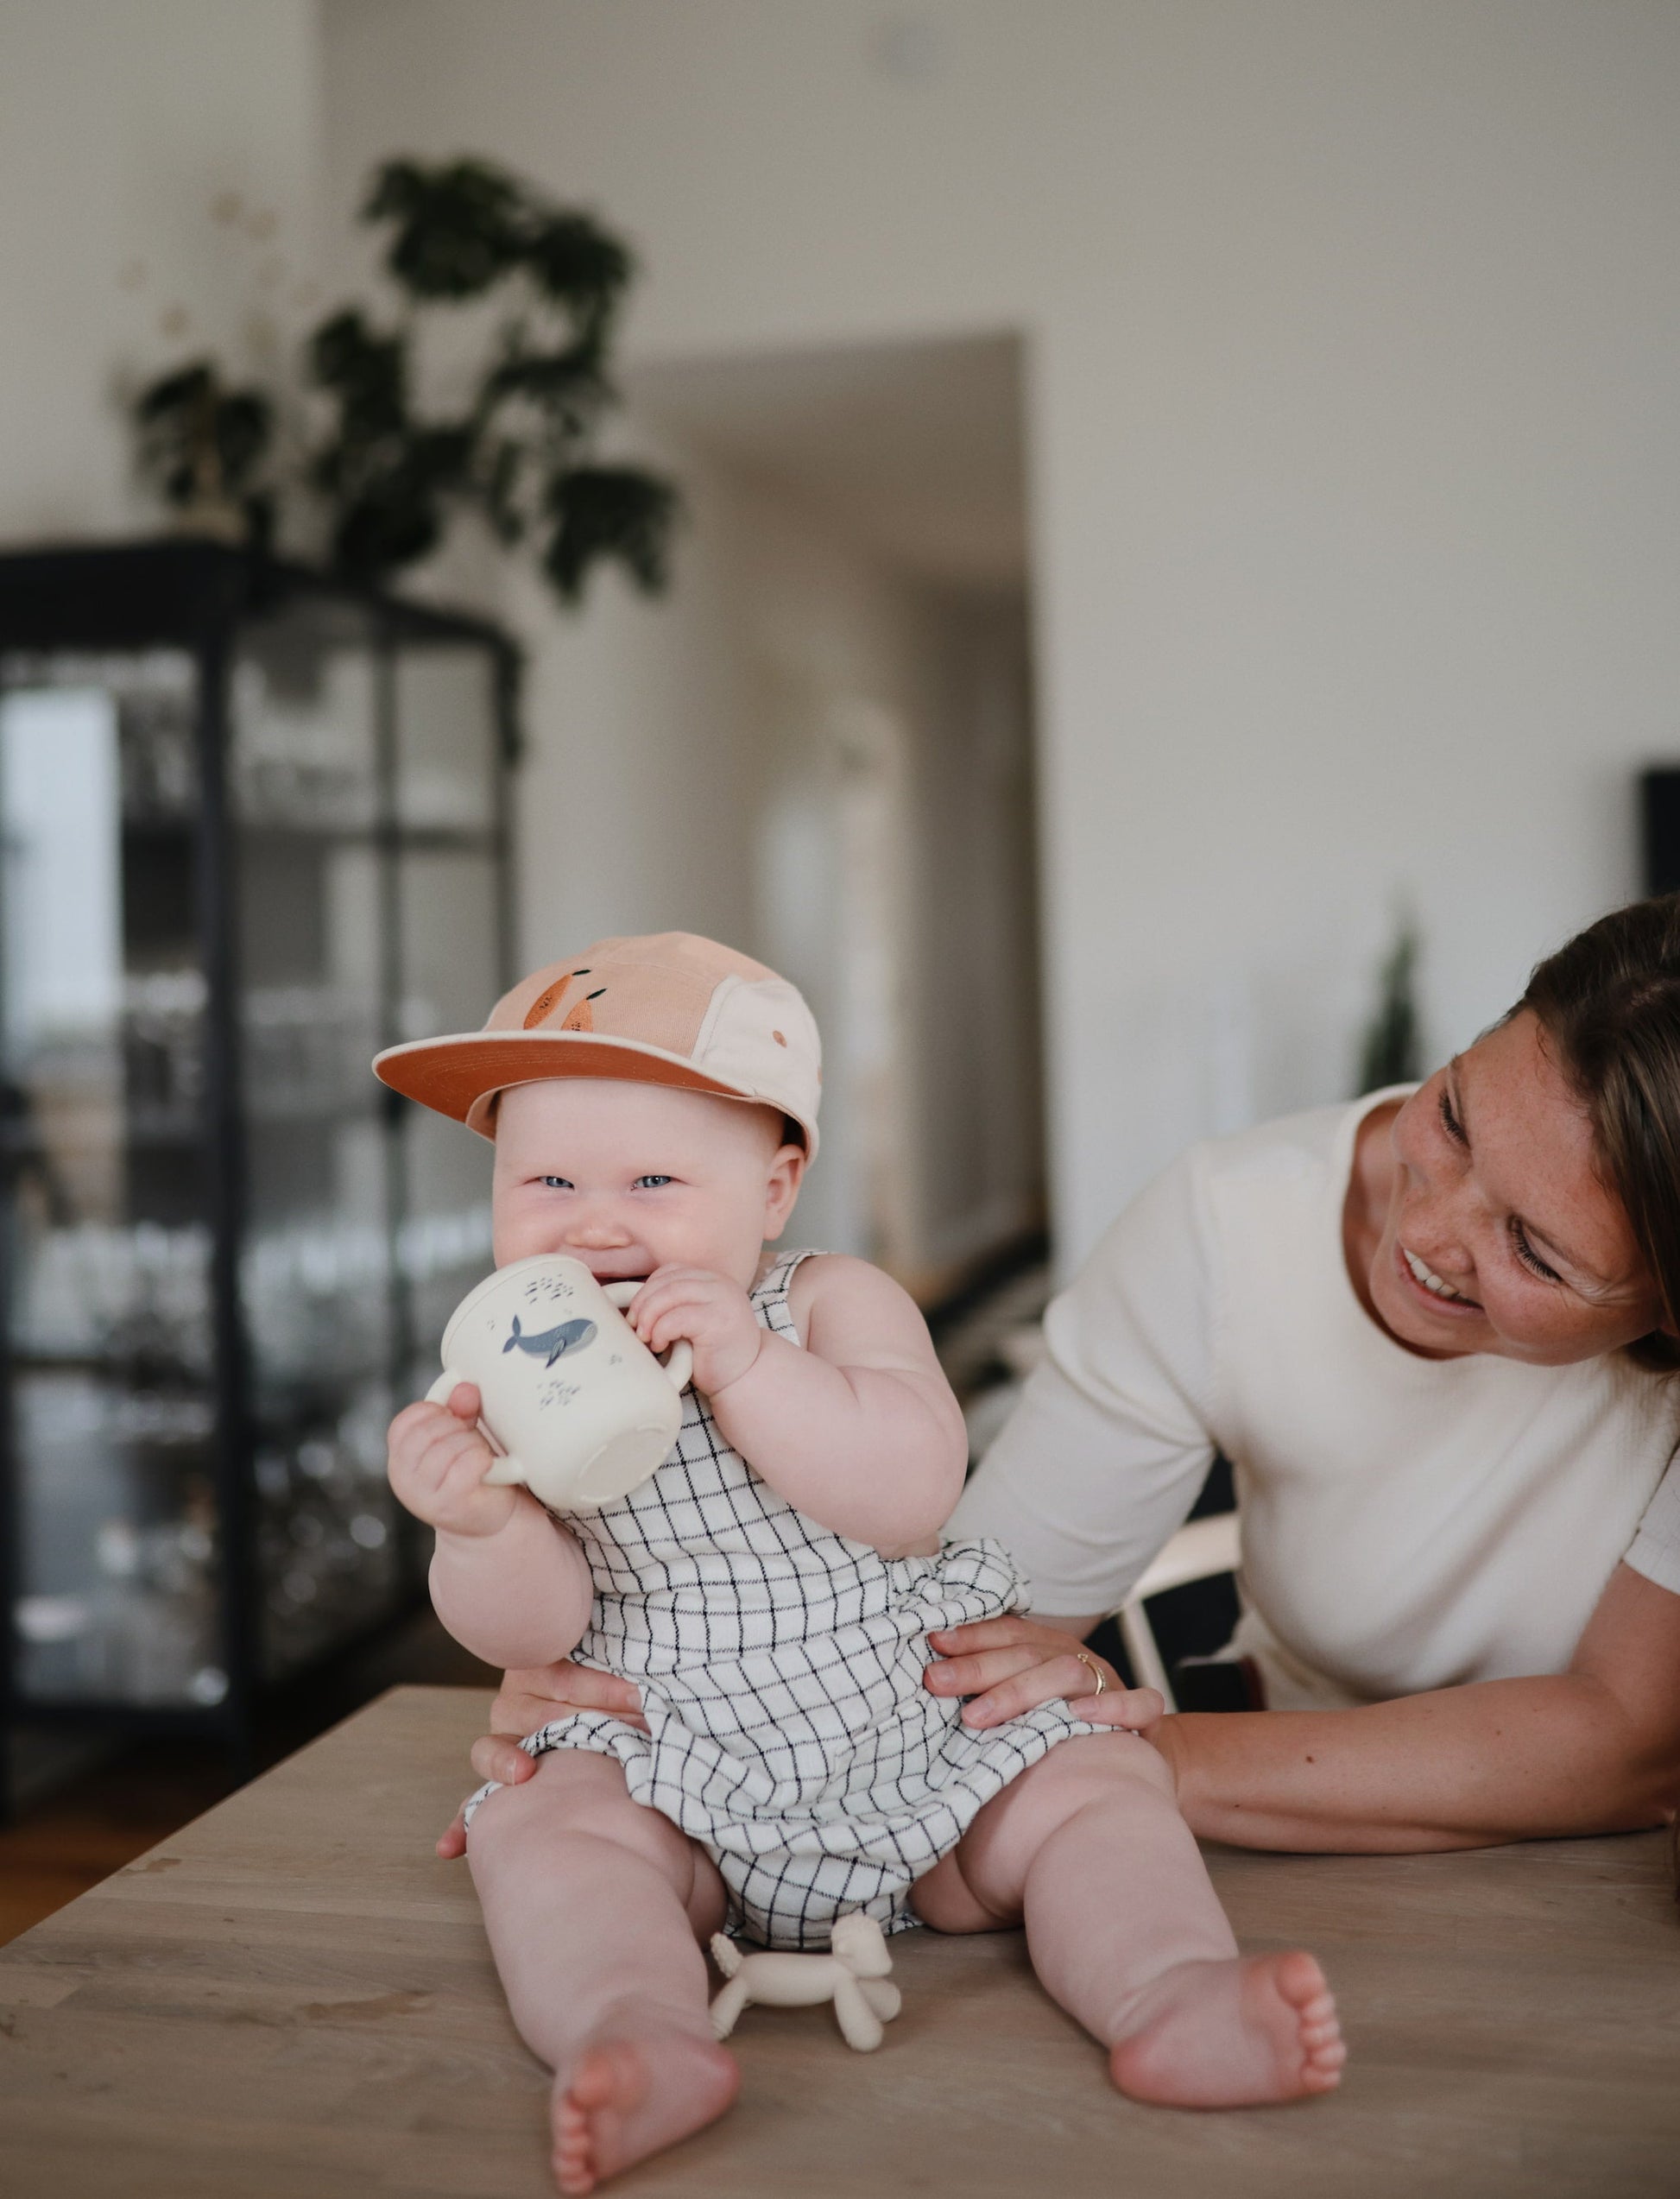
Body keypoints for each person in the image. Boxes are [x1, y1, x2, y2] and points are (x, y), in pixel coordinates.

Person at [378, 934, 1346, 2198]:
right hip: (675, 1779)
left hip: (917, 1739)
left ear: (774, 1192)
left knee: (1093, 1787)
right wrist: (476, 1524)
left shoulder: (826, 1303)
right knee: (545, 1832)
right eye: (544, 1180)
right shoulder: (513, 1373)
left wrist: (747, 1367)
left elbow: (908, 1494)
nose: (595, 1221)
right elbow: (533, 1634)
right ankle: (634, 2028)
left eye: (655, 1179)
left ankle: (1168, 1994)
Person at [448, 898, 1680, 1878]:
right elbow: (972, 1620)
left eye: (1532, 1248)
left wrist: (1120, 1755)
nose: (1429, 1222)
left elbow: (1627, 1745)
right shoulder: (1227, 1223)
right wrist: (647, 1688)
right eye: (1454, 1113)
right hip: (1280, 1808)